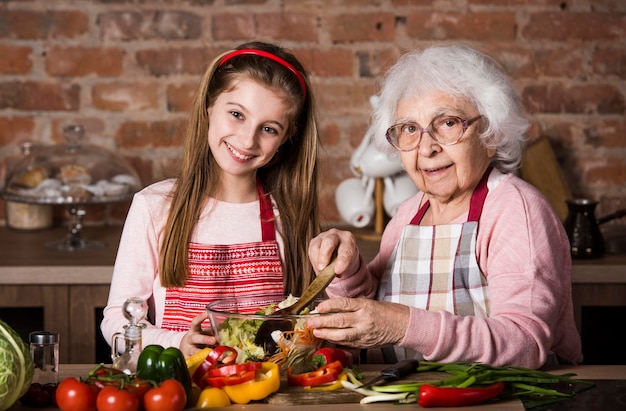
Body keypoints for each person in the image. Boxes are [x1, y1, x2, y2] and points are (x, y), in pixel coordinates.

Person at [307, 44, 583, 369]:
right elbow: (376, 311)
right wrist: (347, 270)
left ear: (491, 136)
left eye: (448, 123)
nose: (427, 148)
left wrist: (402, 325)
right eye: (410, 129)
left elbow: (524, 343)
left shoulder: (515, 210)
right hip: (413, 397)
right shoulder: (408, 215)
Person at [101, 41, 320, 358]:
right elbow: (117, 320)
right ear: (208, 106)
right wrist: (177, 344)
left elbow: (311, 319)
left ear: (286, 138)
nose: (247, 140)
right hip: (183, 396)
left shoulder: (288, 215)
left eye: (269, 129)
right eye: (236, 114)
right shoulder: (155, 206)